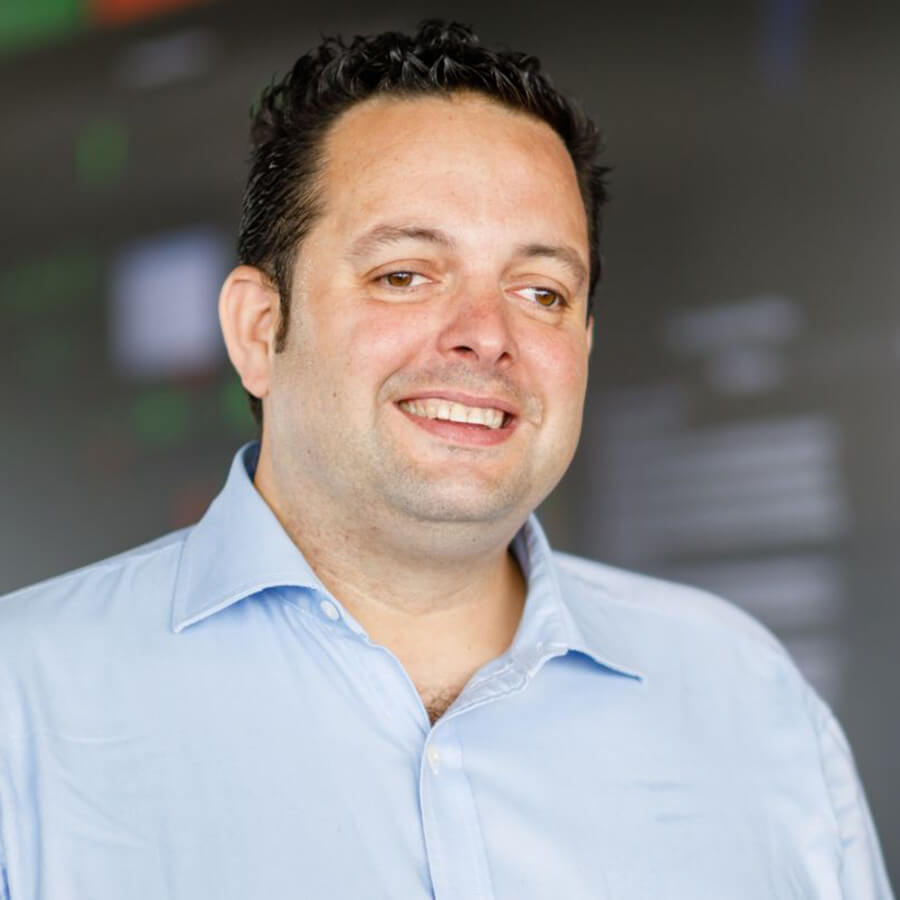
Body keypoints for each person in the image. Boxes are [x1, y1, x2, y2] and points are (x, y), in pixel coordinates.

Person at [0, 19, 893, 900]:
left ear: (584, 346)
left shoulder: (747, 700)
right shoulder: (25, 705)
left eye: (541, 291)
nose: (485, 336)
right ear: (259, 330)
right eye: (405, 274)